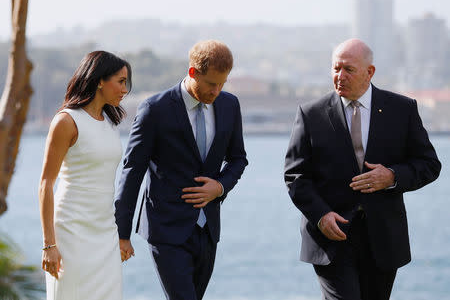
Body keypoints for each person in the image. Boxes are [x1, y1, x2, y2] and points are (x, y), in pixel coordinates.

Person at [284, 38, 441, 300]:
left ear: (370, 72)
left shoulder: (402, 109)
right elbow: (295, 175)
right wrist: (321, 215)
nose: (340, 76)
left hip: (383, 238)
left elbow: (429, 164)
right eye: (336, 68)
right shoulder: (311, 113)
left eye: (349, 69)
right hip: (330, 237)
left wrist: (392, 176)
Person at [115, 40, 248, 300]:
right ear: (192, 73)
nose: (217, 91)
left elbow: (238, 159)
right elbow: (132, 171)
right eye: (211, 84)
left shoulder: (230, 105)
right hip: (165, 228)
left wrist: (219, 187)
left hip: (208, 229)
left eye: (223, 83)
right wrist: (122, 233)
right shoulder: (155, 109)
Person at [38, 50, 131, 300]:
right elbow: (46, 184)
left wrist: (121, 235)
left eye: (126, 83)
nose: (125, 89)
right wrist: (49, 245)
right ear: (100, 80)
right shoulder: (66, 121)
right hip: (72, 232)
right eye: (121, 81)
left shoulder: (111, 122)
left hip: (105, 232)